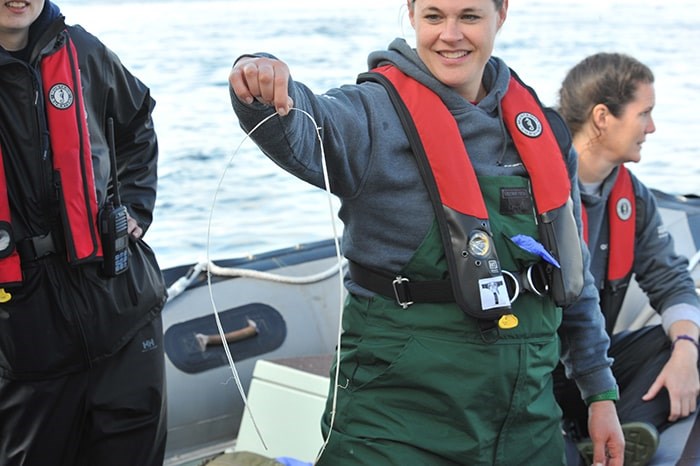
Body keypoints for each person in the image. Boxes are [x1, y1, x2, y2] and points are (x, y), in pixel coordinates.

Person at [229, 1, 625, 464]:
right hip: (396, 424)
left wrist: (600, 392)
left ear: (502, 15)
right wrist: (257, 83)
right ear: (412, 16)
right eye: (434, 16)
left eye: (470, 17)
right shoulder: (369, 114)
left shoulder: (544, 130)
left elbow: (573, 274)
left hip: (526, 424)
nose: (450, 35)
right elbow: (303, 127)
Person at [0, 1, 167, 465]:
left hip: (124, 314)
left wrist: (133, 206)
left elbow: (137, 125)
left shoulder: (85, 52)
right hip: (23, 343)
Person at [554, 52, 700, 465]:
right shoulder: (533, 182)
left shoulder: (631, 196)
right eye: (644, 114)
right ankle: (575, 440)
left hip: (591, 368)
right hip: (531, 367)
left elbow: (671, 280)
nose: (651, 128)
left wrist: (687, 349)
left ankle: (622, 436)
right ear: (603, 117)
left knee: (688, 338)